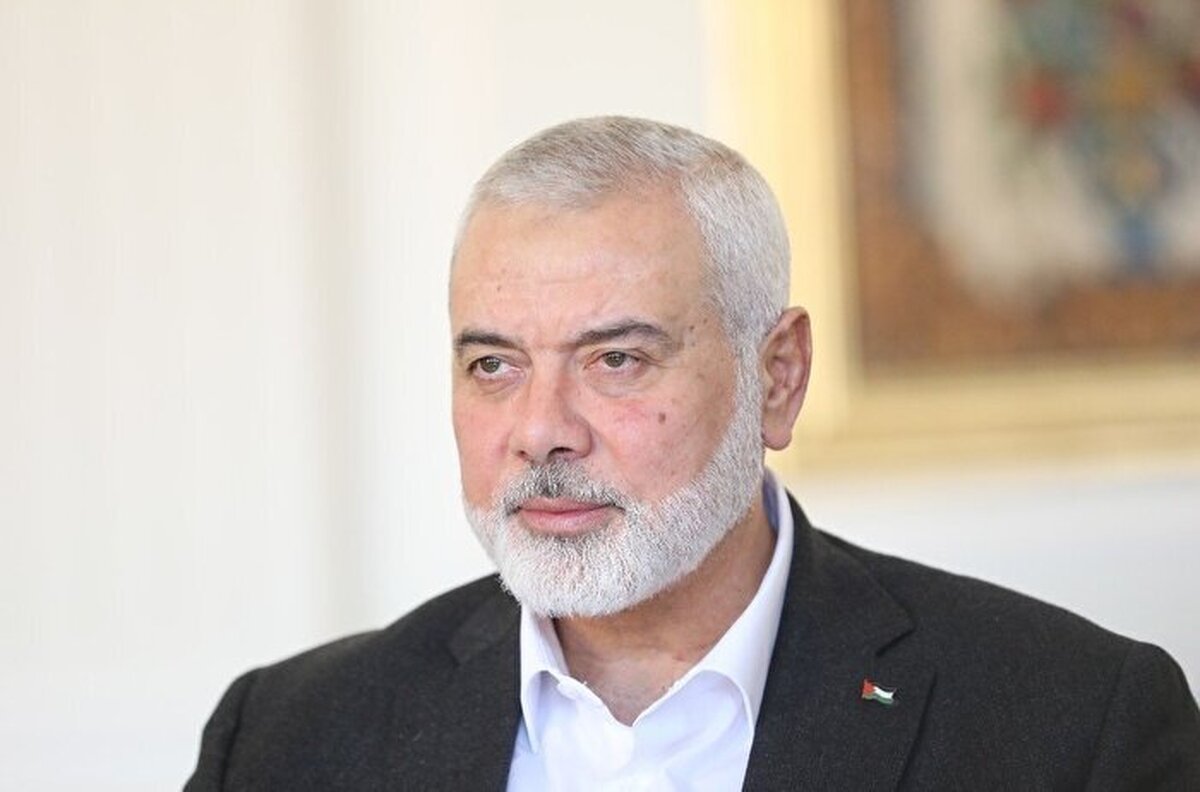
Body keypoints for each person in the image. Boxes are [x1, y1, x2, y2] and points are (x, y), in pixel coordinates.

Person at [185, 116, 1200, 790]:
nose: (540, 429)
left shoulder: (1073, 728)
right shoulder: (286, 741)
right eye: (494, 366)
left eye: (616, 359)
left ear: (779, 377)